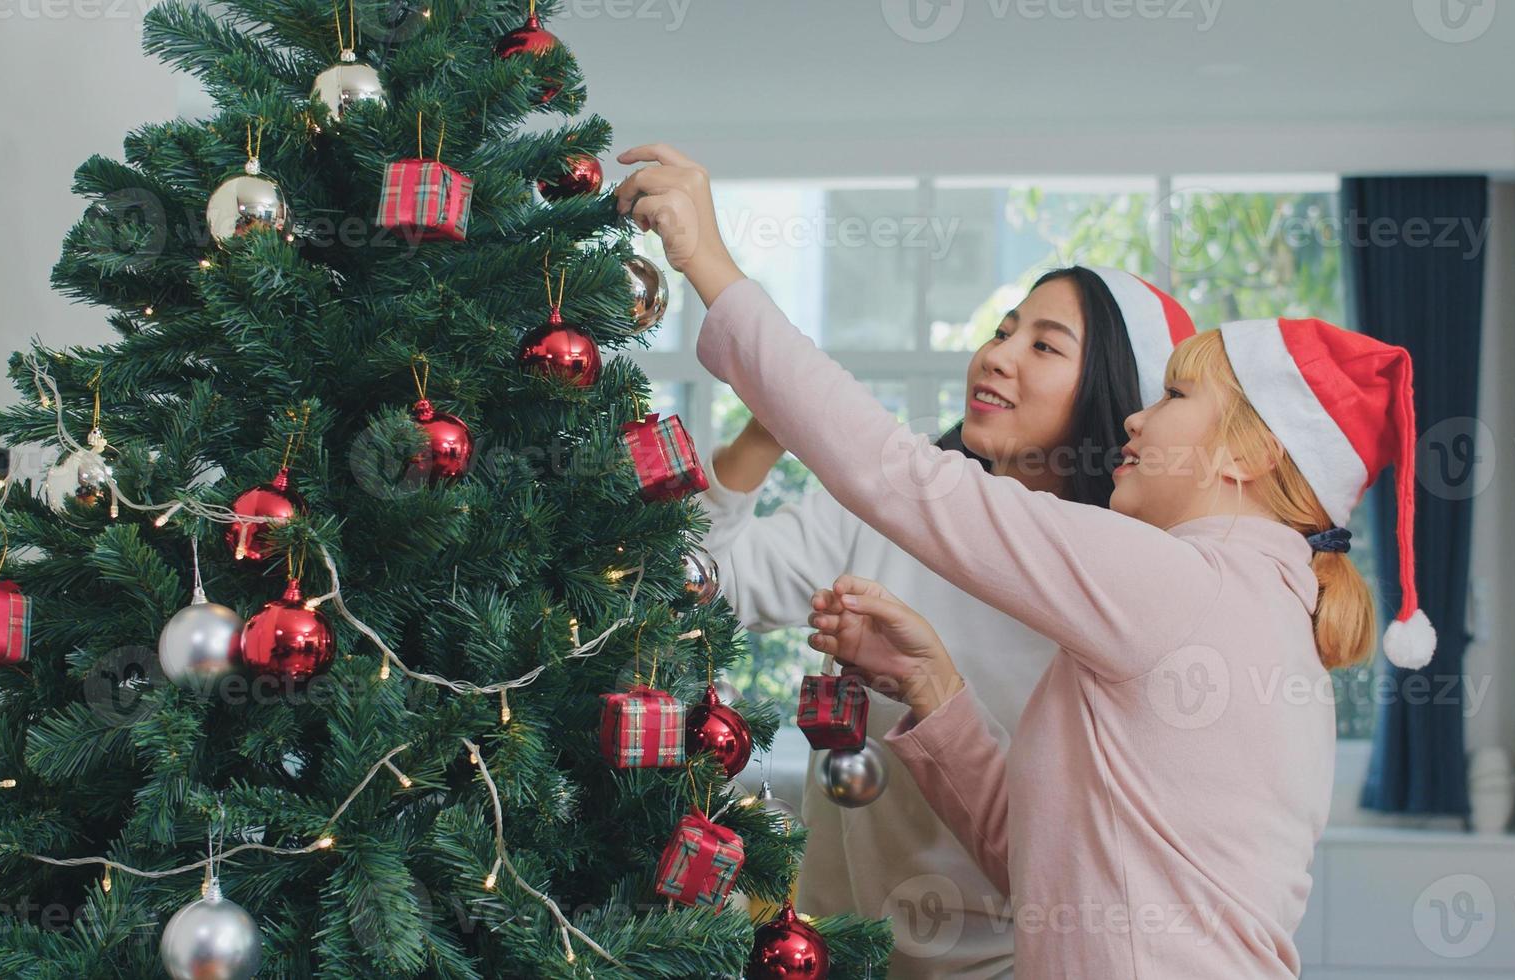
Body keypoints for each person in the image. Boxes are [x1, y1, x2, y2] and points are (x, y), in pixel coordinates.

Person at [615, 142, 1436, 976]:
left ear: (1245, 457)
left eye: (1180, 398)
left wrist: (710, 264)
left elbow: (897, 474)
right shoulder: (1243, 596)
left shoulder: (1181, 583)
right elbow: (1038, 860)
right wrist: (933, 688)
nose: (1141, 423)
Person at [699, 262, 1193, 979]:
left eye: (1044, 347)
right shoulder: (892, 501)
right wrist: (759, 438)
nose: (997, 354)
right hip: (828, 959)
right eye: (1002, 330)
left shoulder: (1118, 586)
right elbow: (700, 586)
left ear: (1111, 398)